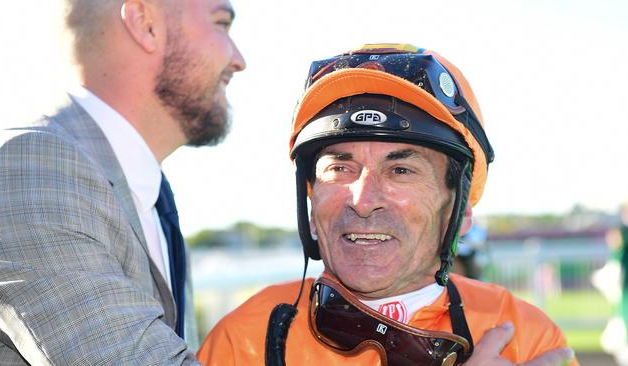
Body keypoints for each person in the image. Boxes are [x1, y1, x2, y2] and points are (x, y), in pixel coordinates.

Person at [197, 44, 578, 365]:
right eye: (340, 167)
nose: (363, 201)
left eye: (400, 170)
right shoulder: (244, 340)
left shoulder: (526, 338)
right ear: (311, 205)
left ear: (459, 213)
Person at [0, 0, 245, 364]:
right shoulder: (31, 171)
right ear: (144, 23)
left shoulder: (144, 191)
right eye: (222, 23)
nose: (239, 60)